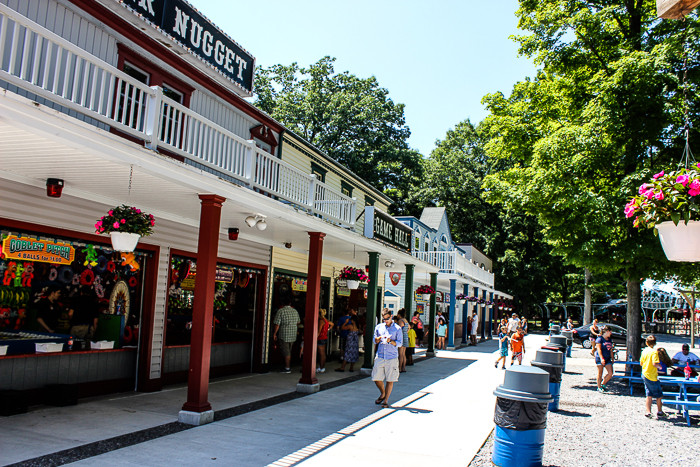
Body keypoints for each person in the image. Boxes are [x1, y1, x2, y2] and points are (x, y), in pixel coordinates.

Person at [372, 311, 402, 408]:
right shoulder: (379, 327)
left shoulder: (397, 328)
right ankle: (383, 393)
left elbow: (400, 343)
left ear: (391, 317)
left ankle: (385, 400)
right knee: (376, 377)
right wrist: (377, 339)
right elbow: (374, 340)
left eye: (387, 318)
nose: (386, 321)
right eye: (384, 319)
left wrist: (391, 341)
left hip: (391, 356)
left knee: (390, 379)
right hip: (380, 355)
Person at [640, 335, 667, 419]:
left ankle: (648, 411)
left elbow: (641, 363)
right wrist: (660, 366)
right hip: (652, 376)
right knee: (659, 395)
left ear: (646, 342)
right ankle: (659, 411)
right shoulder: (654, 352)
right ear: (655, 343)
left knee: (649, 394)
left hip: (644, 373)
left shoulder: (644, 351)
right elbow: (654, 363)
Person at [272, 297, 300, 373]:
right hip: (293, 334)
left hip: (284, 335)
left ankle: (287, 368)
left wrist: (274, 333)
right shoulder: (295, 311)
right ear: (290, 303)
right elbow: (298, 322)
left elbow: (277, 324)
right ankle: (288, 366)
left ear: (282, 303)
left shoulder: (280, 311)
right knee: (289, 351)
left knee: (286, 352)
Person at [594, 326, 614, 393]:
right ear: (607, 331)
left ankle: (603, 383)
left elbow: (610, 349)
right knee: (600, 373)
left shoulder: (609, 339)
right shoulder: (600, 339)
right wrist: (602, 358)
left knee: (610, 373)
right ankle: (599, 387)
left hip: (608, 358)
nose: (611, 333)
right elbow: (599, 349)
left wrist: (612, 358)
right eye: (610, 332)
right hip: (600, 358)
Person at [316, 308, 333, 373]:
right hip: (325, 337)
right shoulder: (325, 320)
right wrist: (328, 329)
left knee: (321, 354)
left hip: (320, 338)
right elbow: (332, 324)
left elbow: (319, 331)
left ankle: (321, 367)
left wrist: (315, 339)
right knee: (323, 354)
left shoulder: (321, 321)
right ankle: (322, 367)